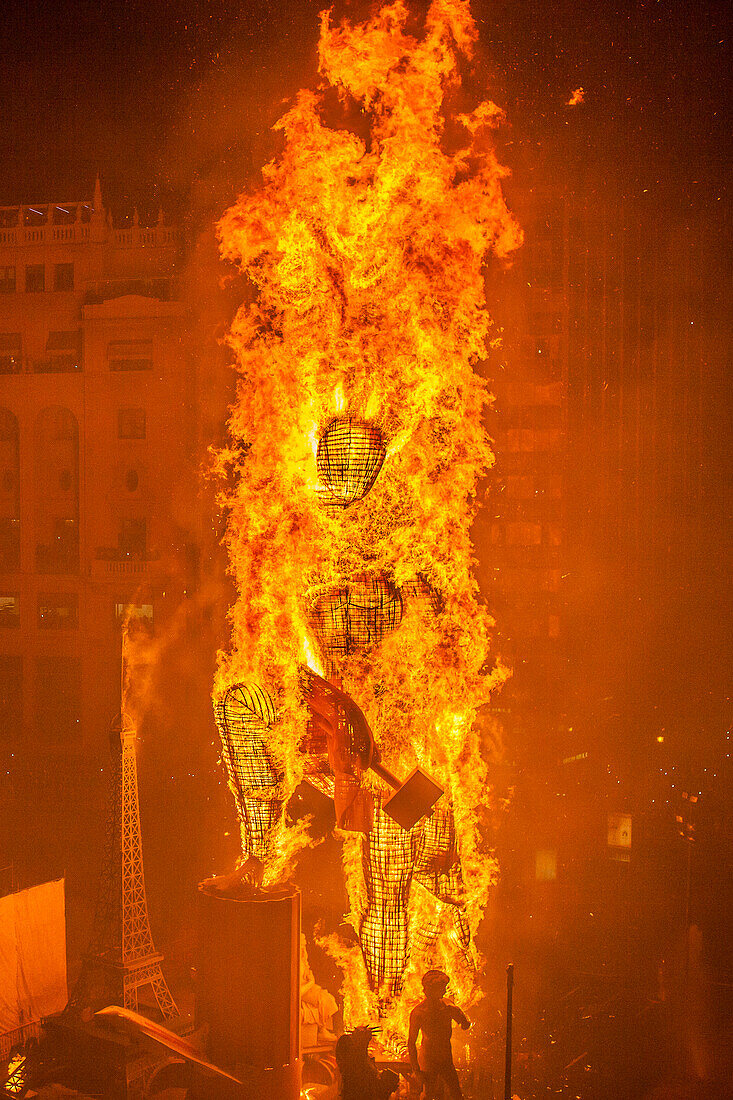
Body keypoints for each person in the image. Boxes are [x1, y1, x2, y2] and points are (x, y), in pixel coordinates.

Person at [407, 971, 470, 1099]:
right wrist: (416, 1069)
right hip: (429, 1060)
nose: (444, 991)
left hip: (446, 1059)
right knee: (429, 1094)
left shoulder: (447, 1006)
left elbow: (465, 1025)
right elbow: (411, 1042)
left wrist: (459, 1014)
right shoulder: (419, 1012)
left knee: (456, 1093)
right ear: (431, 990)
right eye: (442, 988)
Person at [335, 1026, 399, 1100]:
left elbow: (359, 1062)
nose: (382, 1070)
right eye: (381, 1072)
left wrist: (362, 1042)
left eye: (381, 1072)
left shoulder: (363, 1077)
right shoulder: (367, 1077)